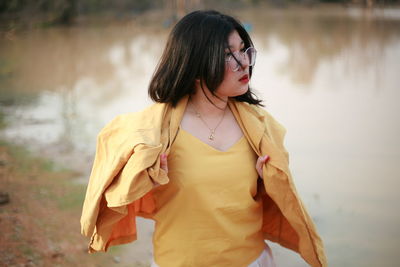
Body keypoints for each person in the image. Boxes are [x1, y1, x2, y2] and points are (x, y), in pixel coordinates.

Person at [80, 10, 327, 267]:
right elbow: (111, 189)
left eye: (243, 50)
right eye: (227, 55)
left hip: (251, 261)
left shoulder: (261, 128)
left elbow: (275, 200)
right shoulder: (155, 133)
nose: (243, 63)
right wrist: (142, 181)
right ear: (194, 66)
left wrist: (267, 183)